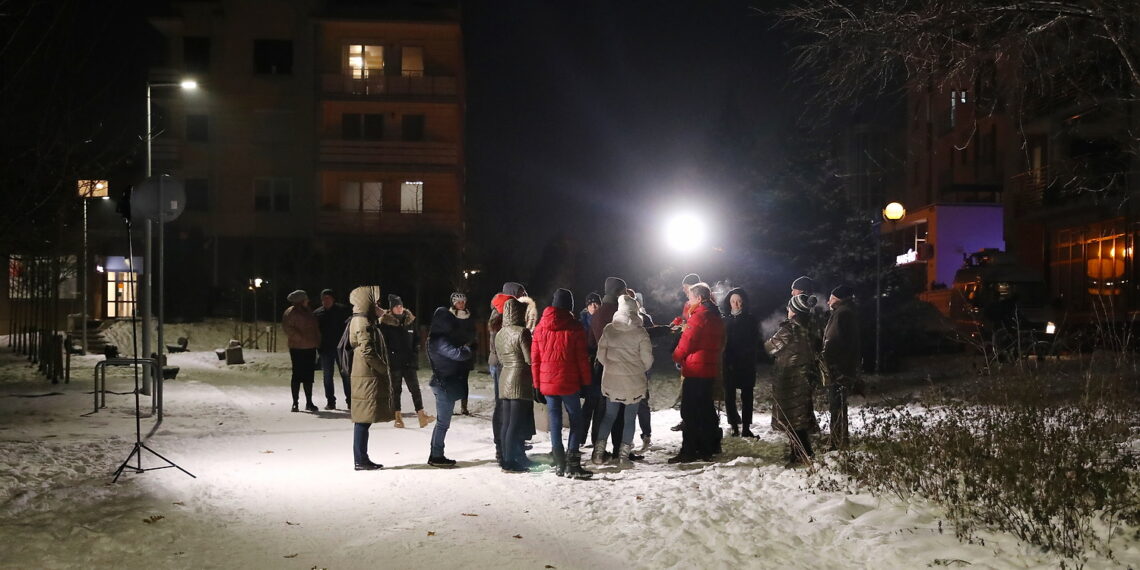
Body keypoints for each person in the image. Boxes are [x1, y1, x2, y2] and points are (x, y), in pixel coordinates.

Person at [532, 288, 593, 479]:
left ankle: (559, 462)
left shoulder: (541, 326)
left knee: (555, 421)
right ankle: (573, 463)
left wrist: (536, 384)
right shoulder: (575, 327)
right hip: (569, 382)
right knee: (576, 420)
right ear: (570, 306)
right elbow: (581, 359)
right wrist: (586, 382)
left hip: (548, 383)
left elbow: (535, 359)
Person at [592, 295, 653, 468]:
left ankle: (598, 453)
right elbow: (647, 360)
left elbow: (601, 356)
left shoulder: (609, 329)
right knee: (629, 419)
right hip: (634, 383)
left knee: (608, 417)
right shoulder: (640, 332)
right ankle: (623, 457)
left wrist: (611, 368)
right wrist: (638, 368)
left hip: (612, 381)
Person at [668, 282, 725, 463]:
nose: (688, 300)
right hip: (709, 369)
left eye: (690, 297)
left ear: (699, 298)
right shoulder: (716, 316)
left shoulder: (699, 317)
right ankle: (708, 447)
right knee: (706, 409)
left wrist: (676, 356)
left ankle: (689, 450)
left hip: (695, 369)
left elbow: (686, 343)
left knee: (689, 412)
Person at [765, 294, 821, 467]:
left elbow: (770, 348)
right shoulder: (811, 326)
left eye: (789, 307)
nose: (787, 310)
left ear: (794, 310)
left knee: (792, 419)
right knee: (799, 418)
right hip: (805, 376)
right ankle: (800, 453)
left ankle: (802, 454)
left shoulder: (790, 328)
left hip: (790, 379)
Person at [347, 285, 395, 470]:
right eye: (375, 302)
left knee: (364, 419)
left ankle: (362, 458)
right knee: (363, 419)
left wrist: (382, 314)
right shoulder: (363, 322)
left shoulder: (366, 319)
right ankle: (360, 459)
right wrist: (383, 369)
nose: (378, 304)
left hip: (366, 374)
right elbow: (367, 351)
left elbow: (397, 321)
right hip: (366, 375)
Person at [426, 295, 474, 467]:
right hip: (443, 383)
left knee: (442, 423)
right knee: (442, 424)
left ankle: (436, 454)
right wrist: (467, 348)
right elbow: (459, 354)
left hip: (442, 382)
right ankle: (436, 456)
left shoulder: (437, 338)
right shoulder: (439, 340)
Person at [487, 282, 530, 465]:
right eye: (520, 293)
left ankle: (512, 446)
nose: (523, 296)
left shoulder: (509, 309)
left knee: (510, 408)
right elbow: (502, 339)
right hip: (504, 364)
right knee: (504, 408)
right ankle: (503, 448)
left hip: (504, 362)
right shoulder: (503, 310)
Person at [379, 294, 434, 429]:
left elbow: (416, 339)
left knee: (415, 389)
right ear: (391, 309)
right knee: (395, 390)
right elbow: (383, 344)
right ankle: (397, 417)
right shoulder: (385, 324)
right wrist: (389, 358)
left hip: (409, 362)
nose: (400, 308)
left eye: (401, 306)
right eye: (397, 306)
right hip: (394, 362)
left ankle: (421, 415)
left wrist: (415, 352)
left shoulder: (409, 321)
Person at [583, 277, 626, 447]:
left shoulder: (597, 314)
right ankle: (618, 447)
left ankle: (598, 448)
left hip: (601, 365)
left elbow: (591, 343)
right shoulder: (618, 312)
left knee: (601, 408)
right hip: (619, 364)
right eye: (623, 290)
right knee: (620, 408)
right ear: (617, 291)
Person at [495, 298, 535, 473]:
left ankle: (505, 458)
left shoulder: (500, 333)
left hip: (504, 377)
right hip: (519, 378)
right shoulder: (522, 332)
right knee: (515, 424)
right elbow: (529, 359)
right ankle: (511, 461)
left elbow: (500, 358)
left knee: (506, 423)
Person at [822, 284, 861, 450]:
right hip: (840, 367)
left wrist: (826, 355)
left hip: (839, 368)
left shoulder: (842, 314)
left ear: (837, 298)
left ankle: (838, 442)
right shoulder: (842, 312)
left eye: (830, 298)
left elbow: (836, 341)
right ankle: (838, 439)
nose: (827, 301)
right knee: (837, 405)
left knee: (837, 406)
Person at [721, 287, 759, 437]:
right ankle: (734, 426)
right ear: (729, 303)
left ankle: (746, 428)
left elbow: (754, 341)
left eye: (738, 301)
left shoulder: (750, 319)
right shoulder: (724, 320)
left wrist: (746, 355)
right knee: (729, 396)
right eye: (733, 301)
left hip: (746, 363)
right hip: (728, 363)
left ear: (743, 302)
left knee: (747, 396)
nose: (736, 304)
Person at [669, 273, 702, 432]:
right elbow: (685, 322)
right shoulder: (687, 304)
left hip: (697, 352)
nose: (683, 291)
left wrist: (685, 327)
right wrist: (678, 323)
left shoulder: (703, 303)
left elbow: (694, 326)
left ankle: (694, 420)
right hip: (687, 350)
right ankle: (687, 419)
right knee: (685, 385)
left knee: (694, 388)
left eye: (685, 287)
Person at [282, 289, 320, 413]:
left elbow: (314, 327)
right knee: (297, 375)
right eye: (305, 299)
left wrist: (316, 339)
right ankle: (295, 402)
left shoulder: (308, 311)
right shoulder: (290, 312)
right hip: (297, 348)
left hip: (310, 347)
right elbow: (288, 328)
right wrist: (300, 338)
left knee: (309, 375)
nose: (307, 301)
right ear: (300, 301)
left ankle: (309, 402)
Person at [312, 288, 351, 410]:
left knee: (345, 375)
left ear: (333, 299)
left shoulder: (343, 310)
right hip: (325, 349)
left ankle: (350, 401)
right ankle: (330, 401)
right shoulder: (317, 313)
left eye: (327, 298)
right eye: (323, 299)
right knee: (327, 376)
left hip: (342, 349)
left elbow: (349, 327)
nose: (325, 301)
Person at [447, 292, 476, 416]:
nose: (461, 304)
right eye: (459, 302)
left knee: (464, 381)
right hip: (453, 353)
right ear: (454, 303)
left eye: (463, 302)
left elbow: (473, 334)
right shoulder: (449, 317)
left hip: (465, 354)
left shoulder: (469, 316)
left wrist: (469, 344)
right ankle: (450, 405)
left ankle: (464, 407)